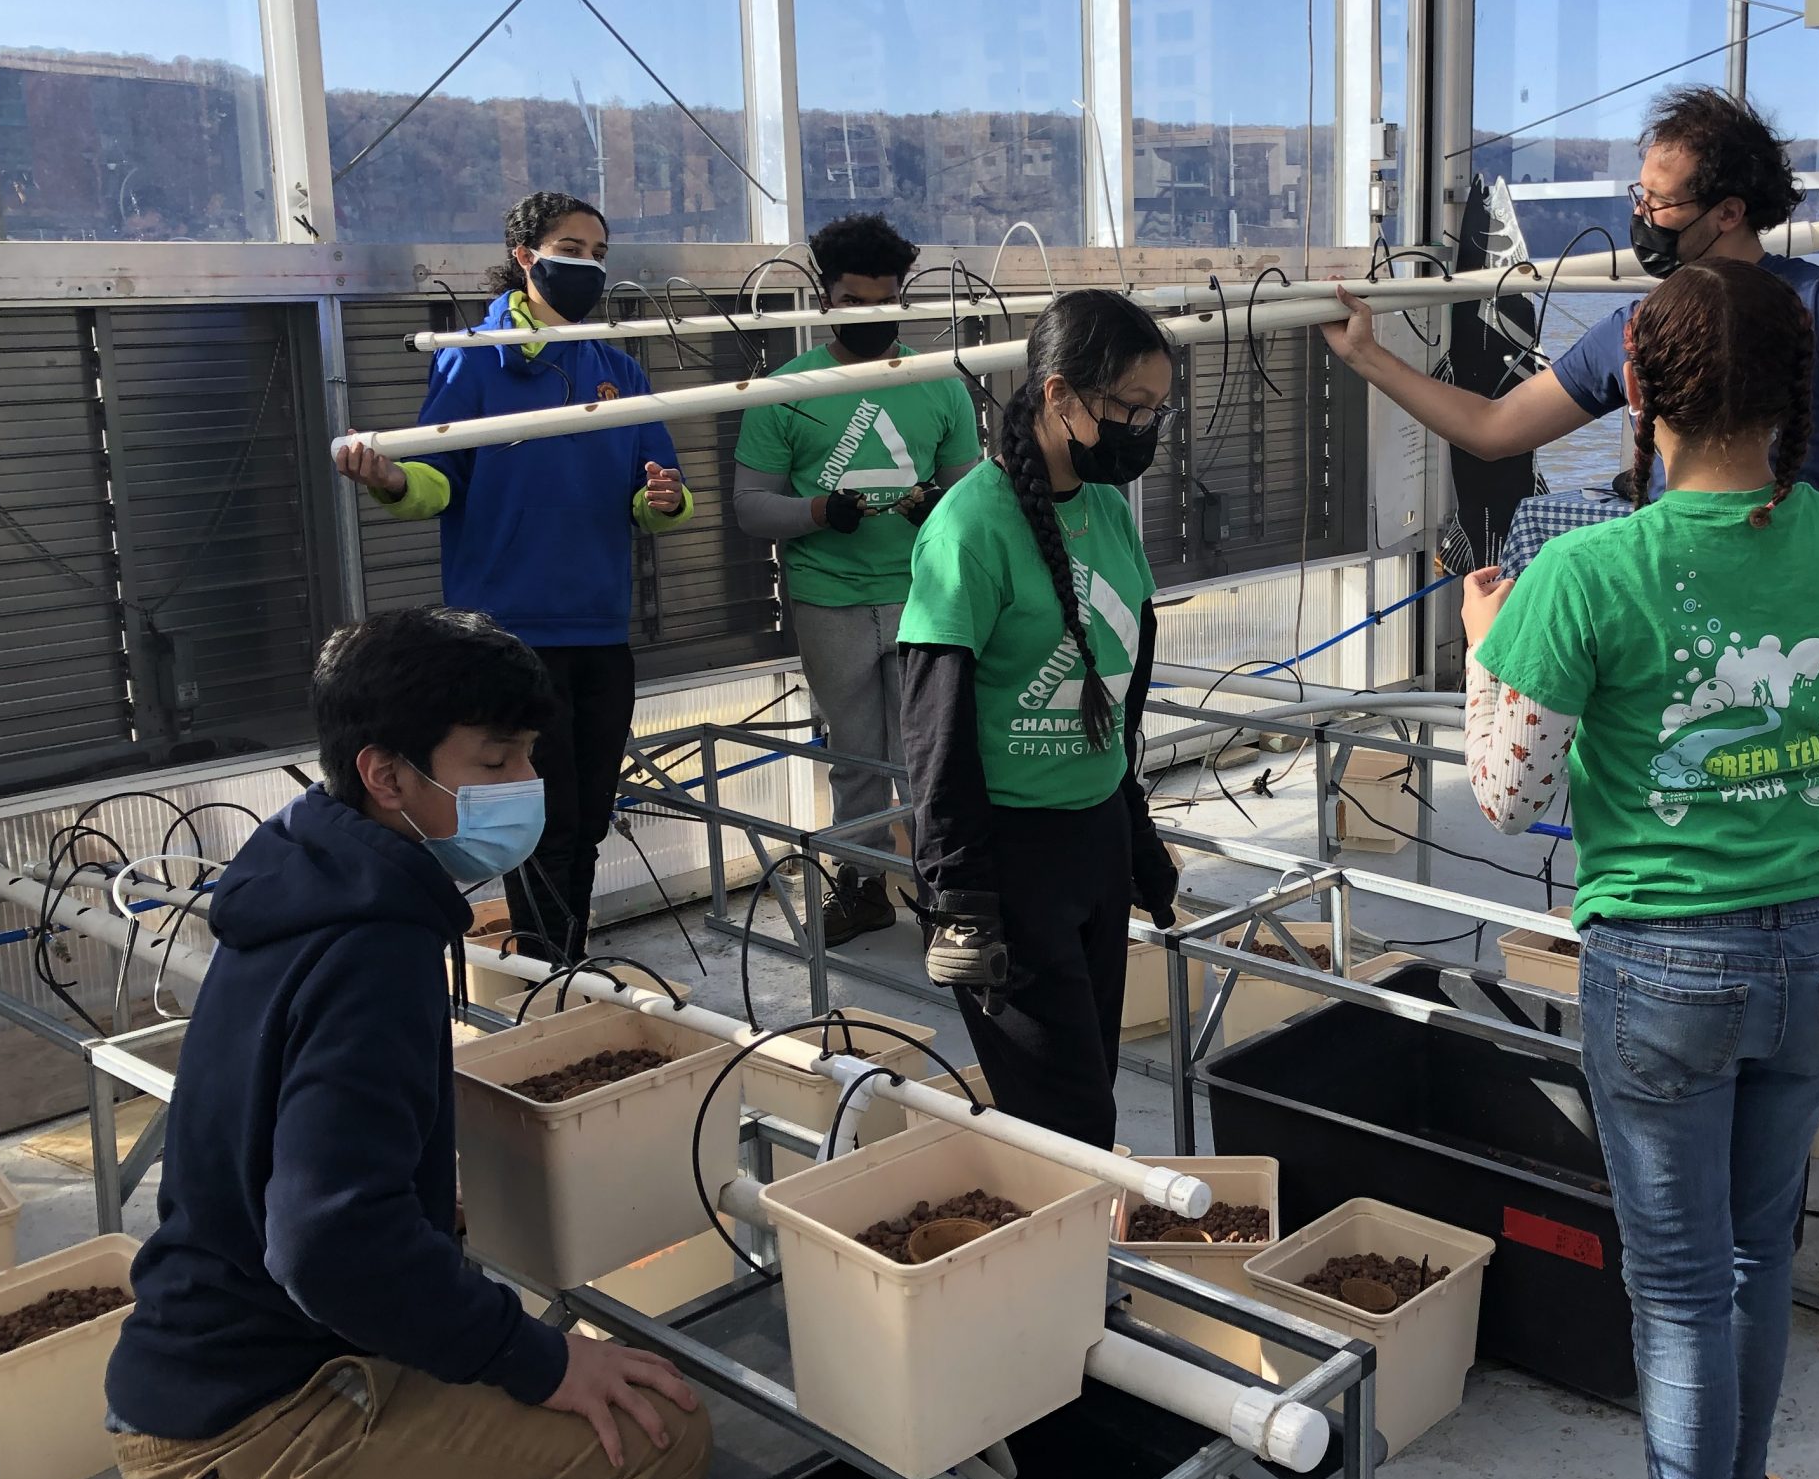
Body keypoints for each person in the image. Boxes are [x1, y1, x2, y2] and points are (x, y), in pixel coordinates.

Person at [1324, 85, 1819, 1288]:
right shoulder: (1646, 331)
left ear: (1727, 210)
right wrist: (1369, 356)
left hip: (1818, 662)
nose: (1638, 214)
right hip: (1689, 640)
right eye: (1635, 193)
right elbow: (1489, 427)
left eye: (1656, 199)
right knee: (1740, 906)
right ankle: (1753, 1206)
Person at [1459, 259, 1819, 1479]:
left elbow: (1510, 796)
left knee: (1678, 1284)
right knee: (1757, 1253)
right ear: (1802, 396)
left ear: (1640, 392)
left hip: (1667, 965)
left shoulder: (1583, 570)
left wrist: (1484, 643)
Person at [107, 607, 711, 1479]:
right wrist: (537, 1360)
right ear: (387, 775)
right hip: (273, 1418)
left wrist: (431, 1214)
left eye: (528, 758)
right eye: (495, 762)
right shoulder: (372, 951)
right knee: (655, 1439)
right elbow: (331, 1243)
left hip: (201, 1381)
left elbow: (286, 1165)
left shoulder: (305, 879)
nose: (526, 789)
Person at [333, 192, 694, 970]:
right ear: (526, 256)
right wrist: (393, 481)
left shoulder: (618, 368)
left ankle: (562, 963)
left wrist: (661, 498)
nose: (587, 264)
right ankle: (547, 970)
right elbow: (437, 479)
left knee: (589, 814)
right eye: (571, 247)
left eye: (599, 252)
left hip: (599, 627)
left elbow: (660, 489)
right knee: (538, 817)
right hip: (510, 639)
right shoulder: (473, 358)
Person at [897, 290, 1182, 1146]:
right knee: (1066, 1115)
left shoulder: (1106, 514)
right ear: (1059, 396)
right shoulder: (969, 530)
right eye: (1130, 408)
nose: (1144, 429)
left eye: (1157, 410)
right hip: (1010, 861)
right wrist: (959, 896)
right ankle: (1065, 1274)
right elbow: (934, 734)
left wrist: (1135, 837)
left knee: (1088, 1075)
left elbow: (1120, 696)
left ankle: (1069, 1262)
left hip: (1090, 842)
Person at [732, 213, 982, 944]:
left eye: (885, 302)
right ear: (824, 298)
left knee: (929, 754)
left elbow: (972, 497)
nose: (870, 317)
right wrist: (817, 511)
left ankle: (944, 890)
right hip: (828, 601)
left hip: (923, 598)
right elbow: (751, 507)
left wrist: (937, 507)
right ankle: (862, 882)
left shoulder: (940, 384)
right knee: (854, 753)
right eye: (853, 302)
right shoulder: (783, 391)